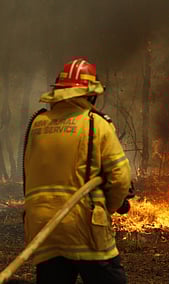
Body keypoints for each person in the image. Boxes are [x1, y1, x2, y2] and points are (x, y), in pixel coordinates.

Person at [23, 58, 132, 284]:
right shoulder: (96, 123)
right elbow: (120, 178)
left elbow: (30, 176)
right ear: (90, 94)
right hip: (84, 227)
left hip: (43, 228)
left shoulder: (37, 124)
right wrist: (106, 209)